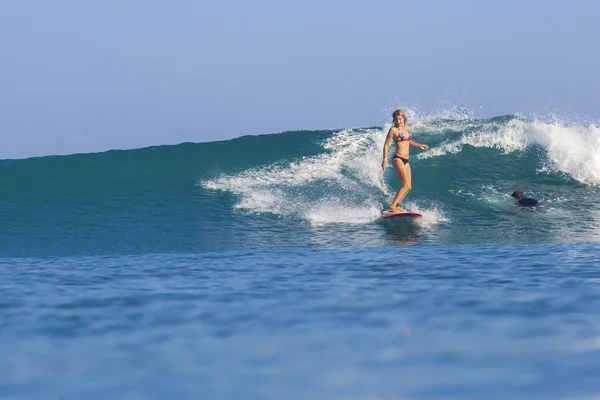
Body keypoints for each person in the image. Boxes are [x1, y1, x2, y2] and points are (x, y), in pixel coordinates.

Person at [381, 109, 429, 212]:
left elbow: (409, 141)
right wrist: (384, 160)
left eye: (400, 119)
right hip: (398, 158)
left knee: (409, 187)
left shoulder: (407, 129)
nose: (398, 121)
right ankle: (393, 206)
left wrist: (419, 145)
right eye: (396, 120)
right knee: (405, 184)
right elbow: (386, 145)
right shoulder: (393, 130)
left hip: (406, 160)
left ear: (404, 119)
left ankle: (396, 204)